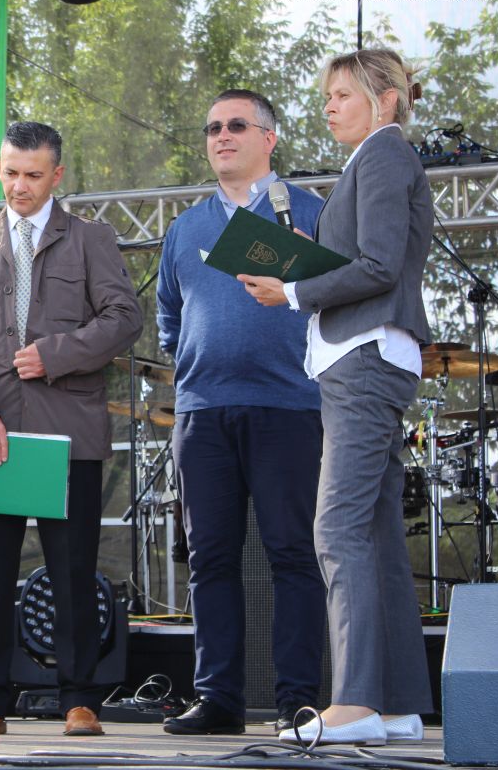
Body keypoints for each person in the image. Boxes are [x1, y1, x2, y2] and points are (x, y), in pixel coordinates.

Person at [238, 49, 433, 746]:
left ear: (385, 100)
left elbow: (378, 266)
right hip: (369, 356)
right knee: (374, 533)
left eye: (342, 94)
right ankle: (396, 705)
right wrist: (306, 257)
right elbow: (367, 259)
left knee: (337, 528)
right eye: (327, 96)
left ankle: (353, 701)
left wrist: (293, 288)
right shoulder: (375, 161)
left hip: (364, 357)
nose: (328, 106)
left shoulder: (383, 155)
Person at [0, 121, 143, 738]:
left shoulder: (91, 238)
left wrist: (56, 354)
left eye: (32, 175)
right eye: (9, 173)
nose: (19, 186)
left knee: (73, 571)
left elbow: (124, 317)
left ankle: (80, 699)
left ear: (57, 175)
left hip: (67, 431)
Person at [157, 90, 326, 736]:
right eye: (212, 128)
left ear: (269, 138)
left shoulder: (308, 213)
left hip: (290, 408)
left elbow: (337, 298)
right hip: (203, 413)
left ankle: (297, 701)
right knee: (210, 560)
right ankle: (219, 700)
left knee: (293, 555)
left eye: (236, 125)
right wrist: (203, 360)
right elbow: (169, 316)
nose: (221, 136)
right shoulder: (185, 228)